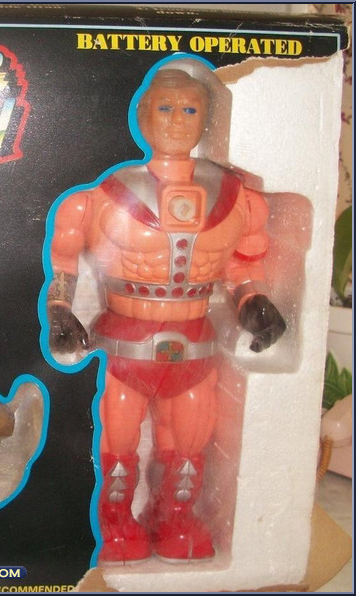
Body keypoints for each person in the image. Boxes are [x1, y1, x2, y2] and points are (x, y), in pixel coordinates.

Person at [46, 67, 286, 563]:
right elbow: (63, 263)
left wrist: (253, 302)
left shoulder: (239, 200)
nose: (178, 120)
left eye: (190, 109)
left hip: (195, 342)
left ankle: (176, 519)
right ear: (143, 116)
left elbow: (244, 264)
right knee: (116, 447)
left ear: (206, 119)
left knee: (189, 447)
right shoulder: (100, 198)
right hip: (123, 344)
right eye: (166, 108)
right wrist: (60, 309)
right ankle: (115, 523)